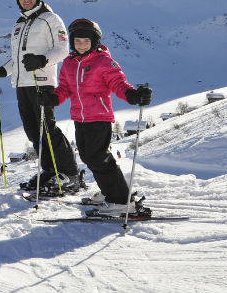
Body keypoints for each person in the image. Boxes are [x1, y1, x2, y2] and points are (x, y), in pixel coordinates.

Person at [39, 18, 153, 217]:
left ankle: (120, 200)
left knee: (98, 157)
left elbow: (118, 82)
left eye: (86, 41)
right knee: (88, 157)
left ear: (95, 42)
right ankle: (109, 191)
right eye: (78, 41)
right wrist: (52, 99)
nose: (82, 44)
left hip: (99, 118)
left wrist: (132, 95)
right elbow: (64, 88)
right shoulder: (68, 63)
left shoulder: (103, 61)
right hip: (80, 119)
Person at [0, 0, 80, 193]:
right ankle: (49, 170)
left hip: (42, 83)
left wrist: (42, 60)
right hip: (22, 84)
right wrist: (3, 70)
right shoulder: (18, 24)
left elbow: (63, 49)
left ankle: (70, 173)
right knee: (33, 131)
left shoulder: (50, 19)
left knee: (48, 129)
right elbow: (17, 59)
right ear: (18, 1)